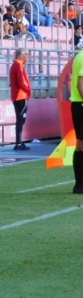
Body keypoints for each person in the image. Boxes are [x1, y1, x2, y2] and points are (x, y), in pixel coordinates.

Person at [10, 49, 31, 151]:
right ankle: (18, 143)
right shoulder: (18, 65)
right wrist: (28, 90)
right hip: (20, 96)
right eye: (27, 54)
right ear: (21, 56)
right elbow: (21, 82)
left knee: (21, 119)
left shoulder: (19, 65)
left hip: (20, 96)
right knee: (20, 119)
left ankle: (19, 142)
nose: (28, 56)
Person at [69, 48, 83, 194]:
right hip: (81, 104)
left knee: (80, 145)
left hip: (78, 105)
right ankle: (79, 185)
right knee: (81, 145)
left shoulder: (80, 56)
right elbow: (81, 85)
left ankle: (79, 185)